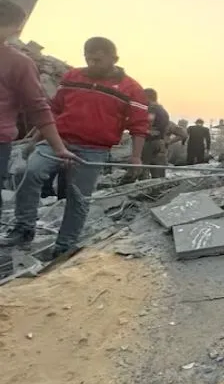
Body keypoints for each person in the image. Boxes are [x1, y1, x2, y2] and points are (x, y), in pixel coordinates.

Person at [3, 37, 148, 261]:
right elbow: (53, 110)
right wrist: (34, 141)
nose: (92, 64)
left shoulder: (132, 89)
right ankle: (24, 229)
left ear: (114, 59)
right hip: (58, 141)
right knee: (28, 172)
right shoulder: (72, 77)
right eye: (88, 58)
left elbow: (139, 126)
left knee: (78, 197)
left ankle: (65, 245)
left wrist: (136, 157)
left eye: (97, 59)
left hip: (93, 149)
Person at [0, 0, 78, 276]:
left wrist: (54, 147)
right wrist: (58, 147)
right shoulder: (19, 63)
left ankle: (22, 229)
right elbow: (39, 109)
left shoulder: (18, 62)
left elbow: (39, 109)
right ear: (18, 27)